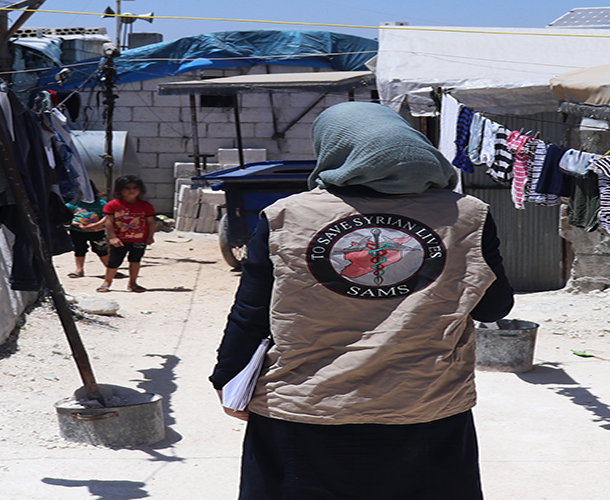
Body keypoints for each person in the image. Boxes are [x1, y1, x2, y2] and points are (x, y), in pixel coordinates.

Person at [209, 102, 514, 500]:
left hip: (305, 407)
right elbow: (494, 308)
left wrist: (226, 378)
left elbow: (251, 315)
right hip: (426, 406)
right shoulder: (468, 214)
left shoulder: (286, 215)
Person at [99, 175, 155, 293]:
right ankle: (107, 282)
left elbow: (151, 222)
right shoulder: (112, 205)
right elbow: (109, 222)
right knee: (114, 261)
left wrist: (150, 236)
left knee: (135, 260)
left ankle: (133, 283)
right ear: (119, 190)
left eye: (135, 187)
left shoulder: (146, 206)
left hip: (139, 239)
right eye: (127, 188)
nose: (131, 190)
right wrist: (112, 237)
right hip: (120, 240)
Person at [66, 186, 110, 279]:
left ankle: (110, 269)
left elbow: (108, 216)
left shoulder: (101, 203)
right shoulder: (73, 203)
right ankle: (79, 269)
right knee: (79, 250)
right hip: (77, 231)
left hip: (97, 231)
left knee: (102, 249)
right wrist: (76, 224)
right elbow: (64, 217)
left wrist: (100, 226)